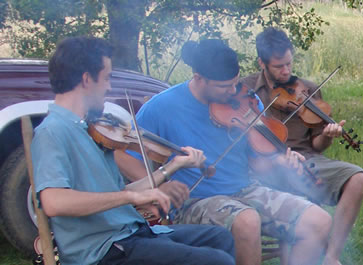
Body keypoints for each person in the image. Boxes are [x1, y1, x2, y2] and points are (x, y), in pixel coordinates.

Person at [115, 39, 332, 265]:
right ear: (199, 78)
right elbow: (123, 154)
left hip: (245, 190)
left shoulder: (245, 100)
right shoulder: (161, 107)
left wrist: (279, 162)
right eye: (223, 87)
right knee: (247, 221)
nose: (232, 91)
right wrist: (159, 185)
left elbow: (258, 164)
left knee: (318, 220)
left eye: (235, 82)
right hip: (193, 201)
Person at [32, 36, 236, 265]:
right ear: (87, 79)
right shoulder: (53, 131)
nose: (109, 87)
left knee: (220, 238)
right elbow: (54, 202)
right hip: (105, 249)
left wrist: (171, 167)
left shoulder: (88, 128)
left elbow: (114, 193)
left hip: (130, 233)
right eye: (107, 78)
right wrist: (131, 196)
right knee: (216, 260)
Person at [240, 27, 363, 265]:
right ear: (262, 63)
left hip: (305, 159)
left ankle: (332, 256)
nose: (286, 71)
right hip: (262, 165)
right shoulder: (244, 90)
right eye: (279, 66)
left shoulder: (307, 89)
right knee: (290, 186)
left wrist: (328, 135)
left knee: (358, 178)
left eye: (289, 63)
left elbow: (317, 146)